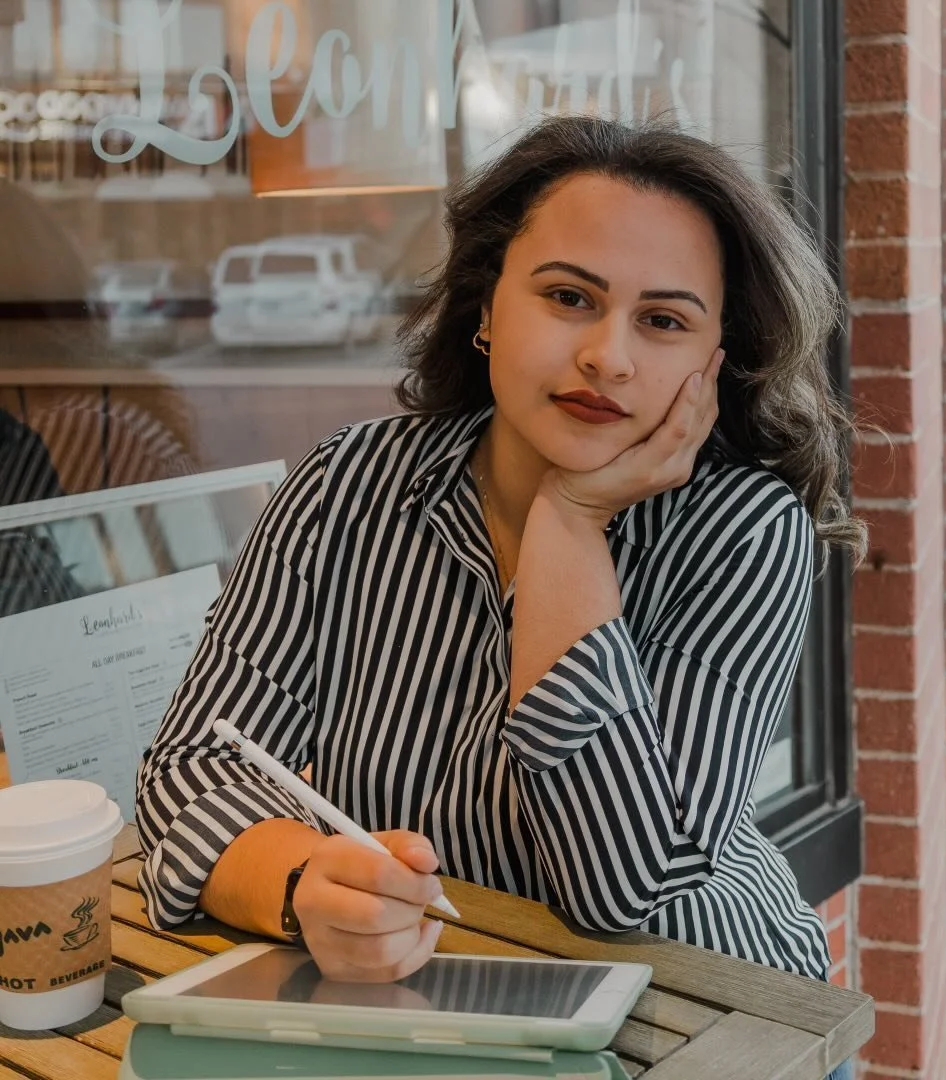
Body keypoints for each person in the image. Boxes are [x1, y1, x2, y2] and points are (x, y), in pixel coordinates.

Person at [136, 115, 866, 1035]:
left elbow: (623, 889)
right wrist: (298, 884)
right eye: (569, 298)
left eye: (664, 320)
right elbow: (193, 762)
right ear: (487, 308)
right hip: (423, 1014)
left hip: (699, 1017)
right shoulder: (348, 485)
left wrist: (570, 524)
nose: (609, 354)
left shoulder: (743, 532)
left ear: (716, 363)